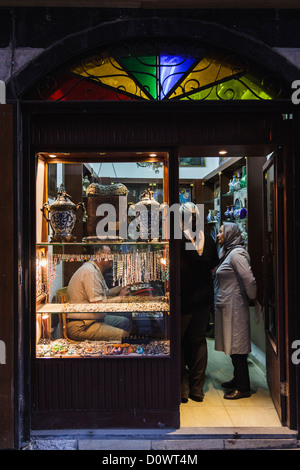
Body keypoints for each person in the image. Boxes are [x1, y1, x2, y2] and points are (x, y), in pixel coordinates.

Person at [180, 202, 219, 403]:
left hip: (184, 300)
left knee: (178, 343)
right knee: (198, 341)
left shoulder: (179, 238)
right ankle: (197, 389)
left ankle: (182, 390)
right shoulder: (209, 240)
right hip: (203, 300)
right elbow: (213, 267)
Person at [214, 222, 257, 400]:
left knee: (238, 347)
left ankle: (243, 387)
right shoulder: (227, 252)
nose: (218, 235)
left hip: (235, 307)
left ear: (231, 234)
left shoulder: (237, 254)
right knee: (232, 346)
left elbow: (249, 280)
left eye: (222, 232)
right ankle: (237, 379)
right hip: (228, 305)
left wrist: (252, 298)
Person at [66, 245, 131, 341]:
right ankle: (115, 351)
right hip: (82, 325)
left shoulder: (95, 269)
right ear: (99, 256)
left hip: (93, 320)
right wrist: (120, 298)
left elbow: (106, 293)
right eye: (109, 254)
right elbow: (98, 305)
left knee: (125, 322)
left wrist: (126, 284)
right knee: (125, 336)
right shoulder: (90, 271)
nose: (112, 257)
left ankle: (115, 350)